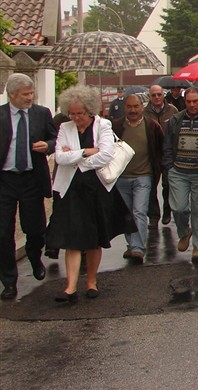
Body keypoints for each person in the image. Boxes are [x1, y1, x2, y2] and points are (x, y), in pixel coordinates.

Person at [46, 85, 127, 302]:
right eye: (72, 113)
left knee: (93, 238)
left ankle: (91, 281)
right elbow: (59, 158)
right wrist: (84, 152)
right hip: (70, 189)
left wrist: (76, 159)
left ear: (89, 110)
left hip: (95, 189)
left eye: (79, 113)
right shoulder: (65, 128)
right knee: (72, 239)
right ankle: (70, 287)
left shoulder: (103, 125)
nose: (76, 117)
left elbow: (106, 155)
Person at [0, 73, 56, 300]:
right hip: (5, 180)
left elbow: (56, 138)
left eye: (31, 93)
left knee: (35, 228)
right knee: (3, 233)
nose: (29, 97)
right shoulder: (1, 116)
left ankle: (34, 255)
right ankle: (9, 282)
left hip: (32, 179)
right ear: (12, 95)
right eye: (25, 94)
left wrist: (48, 146)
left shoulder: (41, 114)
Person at [162, 87, 198, 264]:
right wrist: (169, 166)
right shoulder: (175, 120)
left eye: (195, 101)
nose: (192, 105)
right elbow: (167, 145)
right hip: (178, 171)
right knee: (179, 208)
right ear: (184, 102)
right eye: (188, 102)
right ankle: (184, 232)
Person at [112, 94, 163, 264]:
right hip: (121, 177)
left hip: (144, 176)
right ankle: (131, 243)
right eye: (129, 107)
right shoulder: (116, 126)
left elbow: (160, 148)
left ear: (142, 107)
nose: (132, 110)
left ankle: (138, 249)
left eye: (136, 106)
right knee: (127, 214)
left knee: (139, 212)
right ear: (125, 107)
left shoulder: (152, 126)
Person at [143, 84, 178, 228]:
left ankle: (167, 210)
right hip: (151, 153)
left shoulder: (172, 110)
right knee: (151, 185)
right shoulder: (144, 112)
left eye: (159, 94)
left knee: (168, 184)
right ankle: (153, 216)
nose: (157, 97)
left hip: (168, 152)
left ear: (163, 95)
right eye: (153, 95)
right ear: (149, 97)